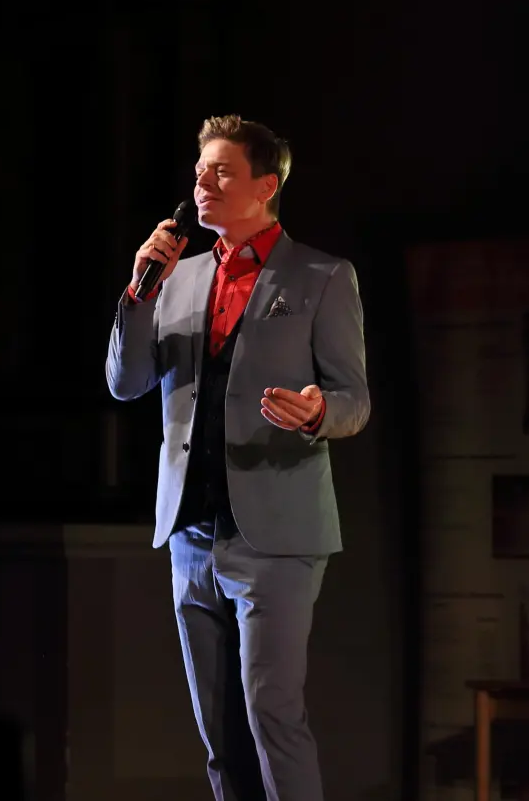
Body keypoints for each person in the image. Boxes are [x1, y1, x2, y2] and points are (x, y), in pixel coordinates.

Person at [106, 115, 370, 800]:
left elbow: (355, 398)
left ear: (265, 184)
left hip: (277, 532)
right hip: (192, 533)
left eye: (220, 171)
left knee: (271, 715)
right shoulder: (178, 278)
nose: (202, 183)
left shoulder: (321, 275)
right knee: (218, 734)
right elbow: (126, 381)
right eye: (198, 172)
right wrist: (140, 288)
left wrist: (319, 411)